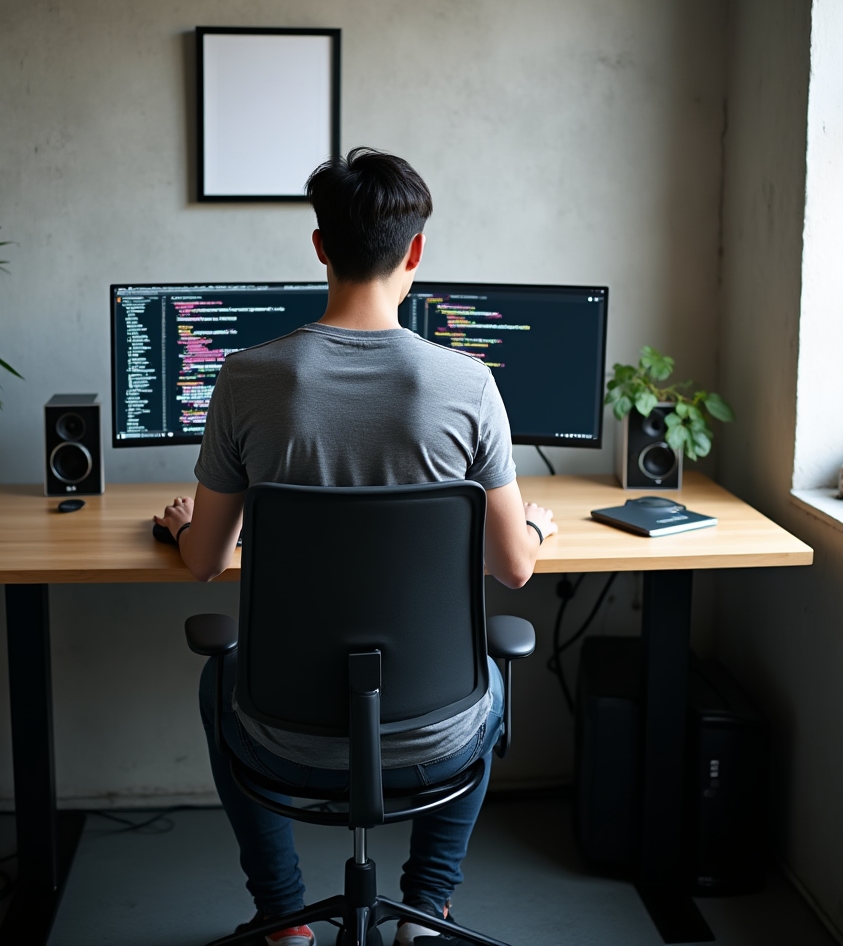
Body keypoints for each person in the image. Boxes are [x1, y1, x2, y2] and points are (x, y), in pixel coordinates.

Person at [155, 147, 557, 946]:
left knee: (219, 680)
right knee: (493, 673)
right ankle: (427, 910)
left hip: (283, 738)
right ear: (414, 252)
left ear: (318, 248)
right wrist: (538, 527)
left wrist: (178, 527)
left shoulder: (245, 379)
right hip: (432, 740)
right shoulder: (469, 385)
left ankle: (283, 921)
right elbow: (514, 567)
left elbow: (204, 561)